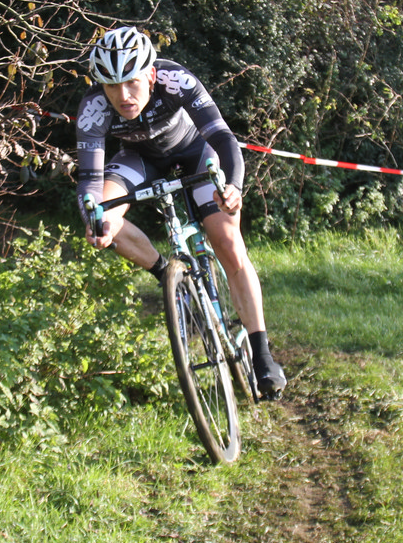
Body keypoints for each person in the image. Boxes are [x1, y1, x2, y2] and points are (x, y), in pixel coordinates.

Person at [74, 26, 287, 398]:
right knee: (101, 217)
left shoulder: (175, 80)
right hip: (139, 160)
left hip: (194, 151)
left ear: (150, 75)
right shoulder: (93, 108)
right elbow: (90, 181)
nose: (123, 96)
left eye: (132, 82)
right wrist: (95, 222)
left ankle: (261, 354)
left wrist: (234, 187)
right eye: (112, 86)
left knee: (227, 241)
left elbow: (222, 137)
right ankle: (166, 275)